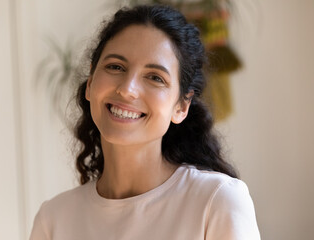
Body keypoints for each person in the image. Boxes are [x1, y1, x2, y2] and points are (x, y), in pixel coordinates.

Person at [30, 4, 261, 240]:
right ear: (90, 83)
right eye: (115, 67)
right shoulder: (54, 220)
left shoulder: (216, 202)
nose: (127, 89)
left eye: (155, 77)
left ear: (181, 106)